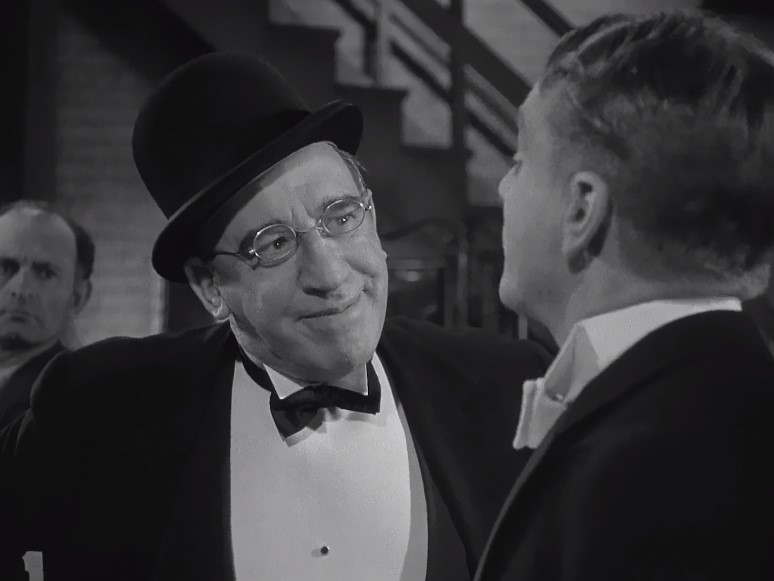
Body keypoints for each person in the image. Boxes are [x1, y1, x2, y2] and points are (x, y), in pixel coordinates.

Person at [0, 52, 550, 581]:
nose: (330, 274)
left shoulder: (509, 388)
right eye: (274, 244)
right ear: (211, 286)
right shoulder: (97, 411)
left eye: (341, 217)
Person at [475, 11, 774, 581]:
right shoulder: (725, 406)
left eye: (519, 161)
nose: (503, 187)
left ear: (582, 209)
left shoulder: (651, 464)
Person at [0, 200, 94, 429]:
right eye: (3, 268)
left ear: (77, 296)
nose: (21, 290)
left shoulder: (67, 399)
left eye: (45, 273)